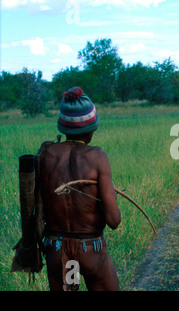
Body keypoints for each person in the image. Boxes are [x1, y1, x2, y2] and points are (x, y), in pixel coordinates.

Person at [39, 87, 121, 291]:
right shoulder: (98, 157)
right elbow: (114, 221)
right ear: (92, 129)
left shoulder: (45, 154)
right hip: (90, 252)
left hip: (57, 252)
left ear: (63, 127)